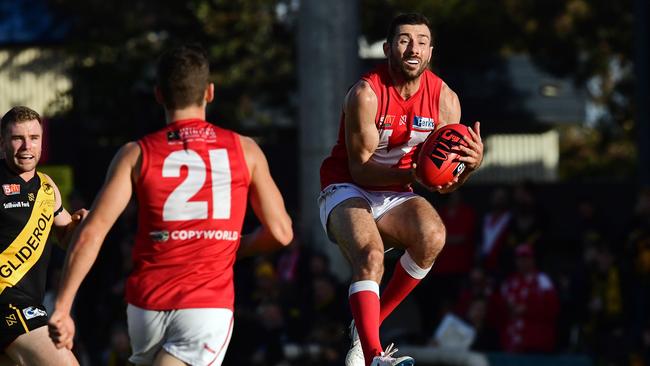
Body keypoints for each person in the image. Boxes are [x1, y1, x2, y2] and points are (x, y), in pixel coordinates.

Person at [47, 45, 293, 366]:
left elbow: (92, 232)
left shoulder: (135, 154)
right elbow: (281, 233)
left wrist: (63, 308)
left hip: (145, 309)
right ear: (210, 92)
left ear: (159, 95)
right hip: (205, 309)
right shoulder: (244, 150)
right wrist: (234, 247)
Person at [318, 13, 484, 366]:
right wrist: (417, 172)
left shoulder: (445, 100)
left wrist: (470, 165)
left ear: (430, 51)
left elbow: (444, 183)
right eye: (405, 40)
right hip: (345, 186)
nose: (414, 48)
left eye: (422, 41)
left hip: (396, 190)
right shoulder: (366, 93)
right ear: (388, 47)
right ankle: (376, 356)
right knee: (371, 255)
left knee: (434, 235)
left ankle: (367, 328)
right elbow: (359, 168)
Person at [0, 106, 86, 365]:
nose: (26, 146)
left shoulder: (47, 186)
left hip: (30, 303)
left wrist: (81, 226)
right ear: (2, 142)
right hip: (8, 303)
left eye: (34, 138)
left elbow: (65, 238)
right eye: (17, 138)